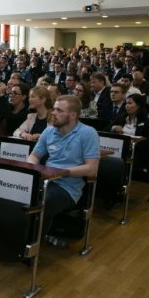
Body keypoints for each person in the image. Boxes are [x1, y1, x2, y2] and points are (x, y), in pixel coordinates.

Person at [27, 95, 99, 246]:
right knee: (19, 194)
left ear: (72, 115)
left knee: (43, 201)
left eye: (59, 110)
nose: (53, 113)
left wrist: (64, 172)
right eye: (54, 109)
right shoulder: (49, 131)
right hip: (46, 179)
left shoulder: (88, 133)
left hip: (67, 188)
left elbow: (92, 169)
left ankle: (31, 245)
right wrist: (33, 167)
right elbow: (34, 156)